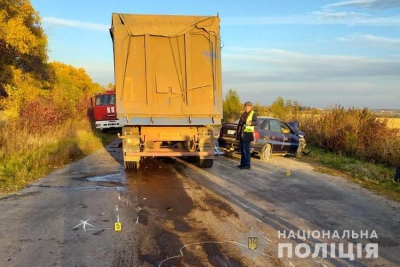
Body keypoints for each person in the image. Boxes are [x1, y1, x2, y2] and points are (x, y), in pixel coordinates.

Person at [236, 101, 258, 169]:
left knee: (246, 150)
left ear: (251, 107)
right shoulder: (244, 114)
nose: (246, 107)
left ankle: (247, 164)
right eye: (246, 106)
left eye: (248, 106)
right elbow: (240, 123)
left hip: (247, 134)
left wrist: (251, 123)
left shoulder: (252, 113)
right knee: (242, 150)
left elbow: (256, 122)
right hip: (242, 134)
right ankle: (242, 164)